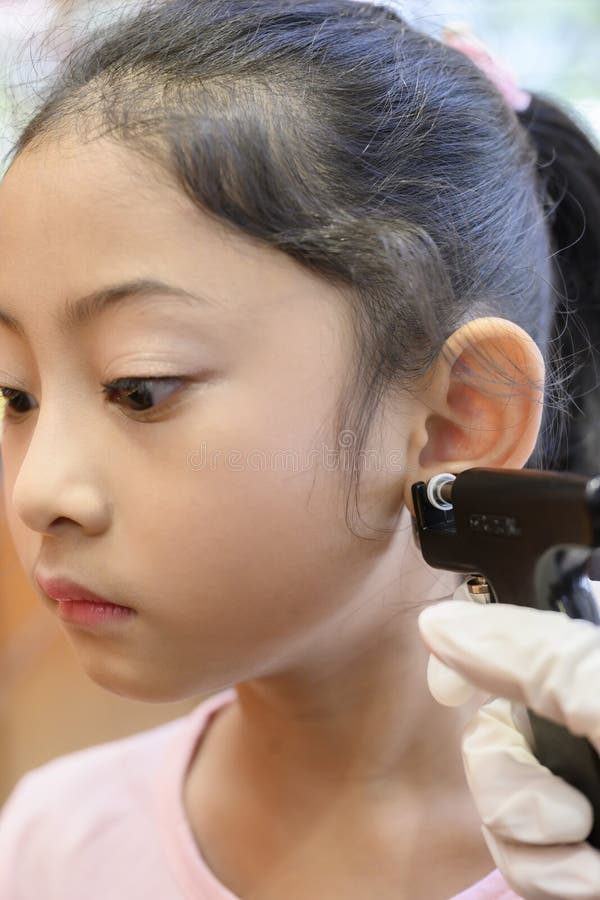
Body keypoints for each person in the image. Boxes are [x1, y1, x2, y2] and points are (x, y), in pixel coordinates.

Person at [0, 1, 598, 897]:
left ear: (454, 419)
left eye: (140, 387)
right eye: (13, 394)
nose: (38, 491)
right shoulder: (53, 847)